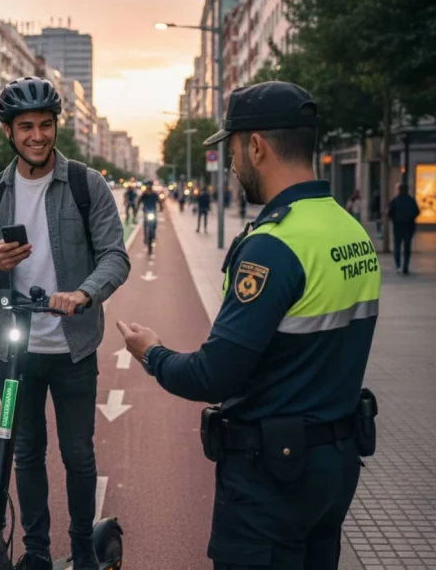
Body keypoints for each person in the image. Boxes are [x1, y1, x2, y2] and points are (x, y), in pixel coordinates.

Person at [117, 81, 381, 570]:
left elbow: (215, 374)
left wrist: (152, 354)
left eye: (233, 150)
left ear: (255, 146)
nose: (234, 164)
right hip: (335, 468)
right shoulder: (351, 230)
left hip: (273, 477)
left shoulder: (273, 245)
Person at [0, 75, 130, 570]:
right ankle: (36, 552)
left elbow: (115, 257)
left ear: (55, 125)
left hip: (73, 349)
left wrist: (83, 293)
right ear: (8, 133)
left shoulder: (87, 183)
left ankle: (82, 549)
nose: (37, 135)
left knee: (78, 457)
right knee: (25, 455)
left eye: (44, 125)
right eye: (25, 127)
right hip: (15, 353)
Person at [388, 182, 420, 274]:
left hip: (397, 226)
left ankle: (398, 265)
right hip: (408, 226)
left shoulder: (395, 200)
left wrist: (395, 219)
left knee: (397, 246)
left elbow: (390, 213)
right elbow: (417, 211)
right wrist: (411, 218)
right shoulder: (411, 200)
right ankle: (405, 267)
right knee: (407, 247)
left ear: (399, 190)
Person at [137, 180, 160, 246]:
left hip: (153, 211)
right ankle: (145, 238)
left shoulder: (154, 194)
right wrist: (137, 208)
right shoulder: (144, 194)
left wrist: (161, 207)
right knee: (145, 224)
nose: (149, 186)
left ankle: (153, 234)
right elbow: (139, 201)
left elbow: (159, 201)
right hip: (146, 212)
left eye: (150, 185)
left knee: (155, 223)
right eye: (148, 185)